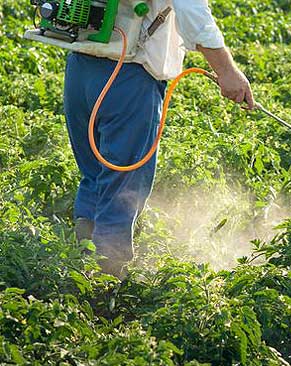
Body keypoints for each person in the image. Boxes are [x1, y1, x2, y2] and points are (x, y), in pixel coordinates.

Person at [66, 0, 254, 278]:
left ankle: (78, 268)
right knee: (121, 192)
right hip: (125, 77)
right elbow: (192, 11)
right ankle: (105, 289)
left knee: (94, 178)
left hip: (80, 71)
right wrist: (227, 70)